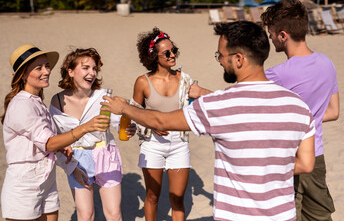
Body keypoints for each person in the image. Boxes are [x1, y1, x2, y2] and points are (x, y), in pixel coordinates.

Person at [101, 21, 316, 221]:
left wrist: (124, 108)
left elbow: (160, 121)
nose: (220, 60)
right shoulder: (299, 106)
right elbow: (306, 164)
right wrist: (267, 168)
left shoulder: (218, 104)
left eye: (220, 55)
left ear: (238, 59)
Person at [1, 44, 109, 221]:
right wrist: (85, 127)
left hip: (47, 182)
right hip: (24, 186)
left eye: (47, 66)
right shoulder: (21, 104)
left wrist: (71, 166)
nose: (46, 71)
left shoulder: (37, 102)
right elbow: (49, 143)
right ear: (23, 74)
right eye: (39, 68)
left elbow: (52, 146)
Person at [260, 0, 339, 221]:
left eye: (272, 33)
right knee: (320, 216)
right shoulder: (327, 63)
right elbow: (333, 111)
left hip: (289, 157)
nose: (271, 38)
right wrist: (309, 119)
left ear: (283, 35)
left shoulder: (277, 74)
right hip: (316, 155)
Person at [49, 47, 135, 221]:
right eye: (86, 68)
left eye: (94, 68)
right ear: (71, 71)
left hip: (105, 153)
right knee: (85, 215)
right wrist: (70, 166)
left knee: (113, 214)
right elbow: (56, 140)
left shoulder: (103, 97)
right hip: (76, 158)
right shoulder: (57, 101)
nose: (92, 73)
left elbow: (120, 124)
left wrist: (128, 128)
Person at [130, 27, 194, 221]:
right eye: (167, 52)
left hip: (180, 143)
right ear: (154, 56)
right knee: (152, 196)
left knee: (177, 199)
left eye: (174, 50)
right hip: (152, 144)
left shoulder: (185, 79)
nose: (172, 54)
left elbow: (192, 110)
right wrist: (150, 125)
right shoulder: (142, 81)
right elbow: (134, 113)